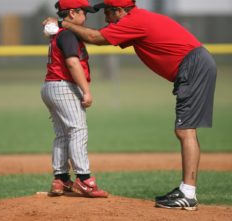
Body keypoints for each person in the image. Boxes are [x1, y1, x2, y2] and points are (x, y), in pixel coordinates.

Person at [43, 0, 217, 209]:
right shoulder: (138, 19)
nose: (105, 18)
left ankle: (187, 193)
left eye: (107, 12)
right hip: (194, 65)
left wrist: (63, 24)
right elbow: (94, 36)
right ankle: (186, 190)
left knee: (185, 130)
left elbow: (95, 37)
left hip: (193, 66)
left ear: (119, 11)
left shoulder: (134, 21)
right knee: (184, 130)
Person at [41, 0, 108, 198]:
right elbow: (72, 63)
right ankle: (84, 179)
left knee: (62, 134)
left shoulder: (60, 33)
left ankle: (60, 179)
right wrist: (86, 91)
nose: (85, 16)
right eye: (83, 13)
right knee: (77, 131)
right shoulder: (69, 34)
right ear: (71, 13)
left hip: (50, 86)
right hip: (64, 87)